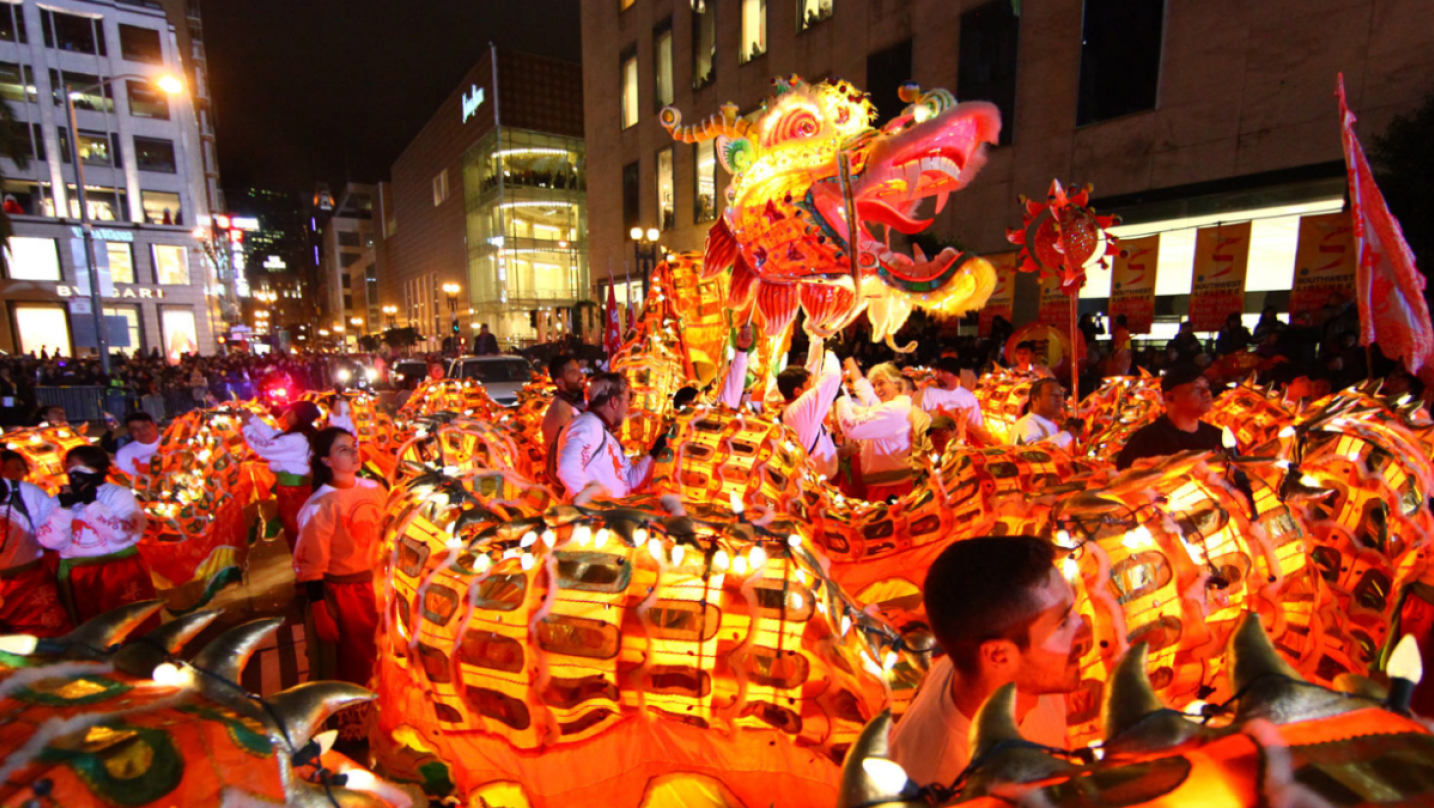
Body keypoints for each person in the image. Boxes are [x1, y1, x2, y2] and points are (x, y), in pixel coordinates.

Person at [889, 536, 1082, 784]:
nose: (1082, 629)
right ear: (998, 656)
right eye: (1063, 623)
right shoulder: (953, 785)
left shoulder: (1002, 668)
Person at [293, 427, 384, 739]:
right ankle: (355, 728)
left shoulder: (374, 488)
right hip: (344, 594)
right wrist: (320, 609)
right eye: (343, 449)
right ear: (325, 461)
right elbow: (310, 564)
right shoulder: (321, 505)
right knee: (353, 659)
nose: (354, 453)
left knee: (383, 654)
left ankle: (386, 716)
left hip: (379, 587)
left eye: (354, 446)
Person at [35, 446, 157, 627]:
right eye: (71, 468)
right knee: (89, 626)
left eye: (82, 468)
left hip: (118, 570)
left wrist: (92, 504)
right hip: (77, 574)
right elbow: (50, 541)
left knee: (128, 624)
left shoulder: (118, 494)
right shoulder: (58, 500)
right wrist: (64, 510)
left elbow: (121, 534)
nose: (75, 475)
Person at [554, 373, 659, 499]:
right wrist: (589, 507)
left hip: (611, 515)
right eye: (627, 401)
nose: (628, 409)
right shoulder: (588, 425)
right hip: (595, 517)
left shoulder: (603, 431)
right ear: (614, 402)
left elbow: (630, 479)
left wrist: (655, 452)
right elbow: (568, 467)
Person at [837, 360, 928, 501]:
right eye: (874, 385)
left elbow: (850, 427)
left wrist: (840, 397)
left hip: (890, 489)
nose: (876, 390)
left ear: (896, 384)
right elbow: (862, 407)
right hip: (888, 485)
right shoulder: (891, 406)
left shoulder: (893, 409)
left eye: (881, 383)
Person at [240, 401, 324, 551]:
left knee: (296, 530)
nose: (286, 414)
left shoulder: (297, 439)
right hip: (294, 489)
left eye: (290, 412)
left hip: (293, 492)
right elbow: (274, 436)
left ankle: (307, 565)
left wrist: (247, 427)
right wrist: (252, 419)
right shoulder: (300, 435)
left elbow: (265, 448)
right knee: (298, 527)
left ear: (299, 416)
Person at [1115, 363, 1227, 470]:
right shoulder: (1146, 441)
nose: (1207, 392)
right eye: (1197, 388)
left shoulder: (1218, 437)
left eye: (1207, 386)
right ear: (1169, 397)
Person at [0, 470, 68, 636]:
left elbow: (54, 537)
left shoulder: (26, 494)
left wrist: (66, 510)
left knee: (44, 639)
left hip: (29, 582)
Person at [775, 338, 842, 480]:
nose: (813, 387)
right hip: (812, 482)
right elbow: (832, 377)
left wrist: (818, 340)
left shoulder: (791, 409)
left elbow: (812, 368)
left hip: (810, 477)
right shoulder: (801, 408)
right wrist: (831, 351)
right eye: (809, 384)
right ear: (798, 391)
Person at [917, 356, 986, 443]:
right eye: (937, 372)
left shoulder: (968, 397)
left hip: (957, 449)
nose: (937, 376)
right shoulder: (927, 393)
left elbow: (977, 426)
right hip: (931, 446)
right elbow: (916, 421)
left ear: (955, 375)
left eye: (942, 372)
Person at [1012, 378, 1075, 449]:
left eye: (1060, 395)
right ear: (1035, 399)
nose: (1059, 400)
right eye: (1052, 395)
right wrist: (1068, 434)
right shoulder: (1026, 423)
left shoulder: (1052, 425)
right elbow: (1034, 452)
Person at [541, 353, 586, 449]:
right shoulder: (558, 412)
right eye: (573, 372)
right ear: (559, 382)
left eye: (579, 370)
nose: (581, 375)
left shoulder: (575, 402)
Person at [114, 412, 161, 478]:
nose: (141, 431)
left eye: (145, 427)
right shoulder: (123, 453)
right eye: (134, 429)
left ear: (154, 426)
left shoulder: (173, 444)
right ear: (130, 432)